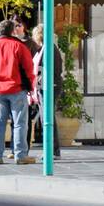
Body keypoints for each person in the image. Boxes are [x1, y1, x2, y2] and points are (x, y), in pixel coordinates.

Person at [0, 19, 36, 166]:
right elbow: (29, 70)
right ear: (13, 31)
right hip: (17, 89)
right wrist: (30, 87)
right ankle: (20, 155)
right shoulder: (20, 46)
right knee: (20, 124)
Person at [31, 24, 63, 159]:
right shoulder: (46, 48)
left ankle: (53, 150)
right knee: (47, 118)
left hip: (49, 86)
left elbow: (54, 70)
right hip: (44, 86)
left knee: (47, 118)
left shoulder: (49, 48)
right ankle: (52, 149)